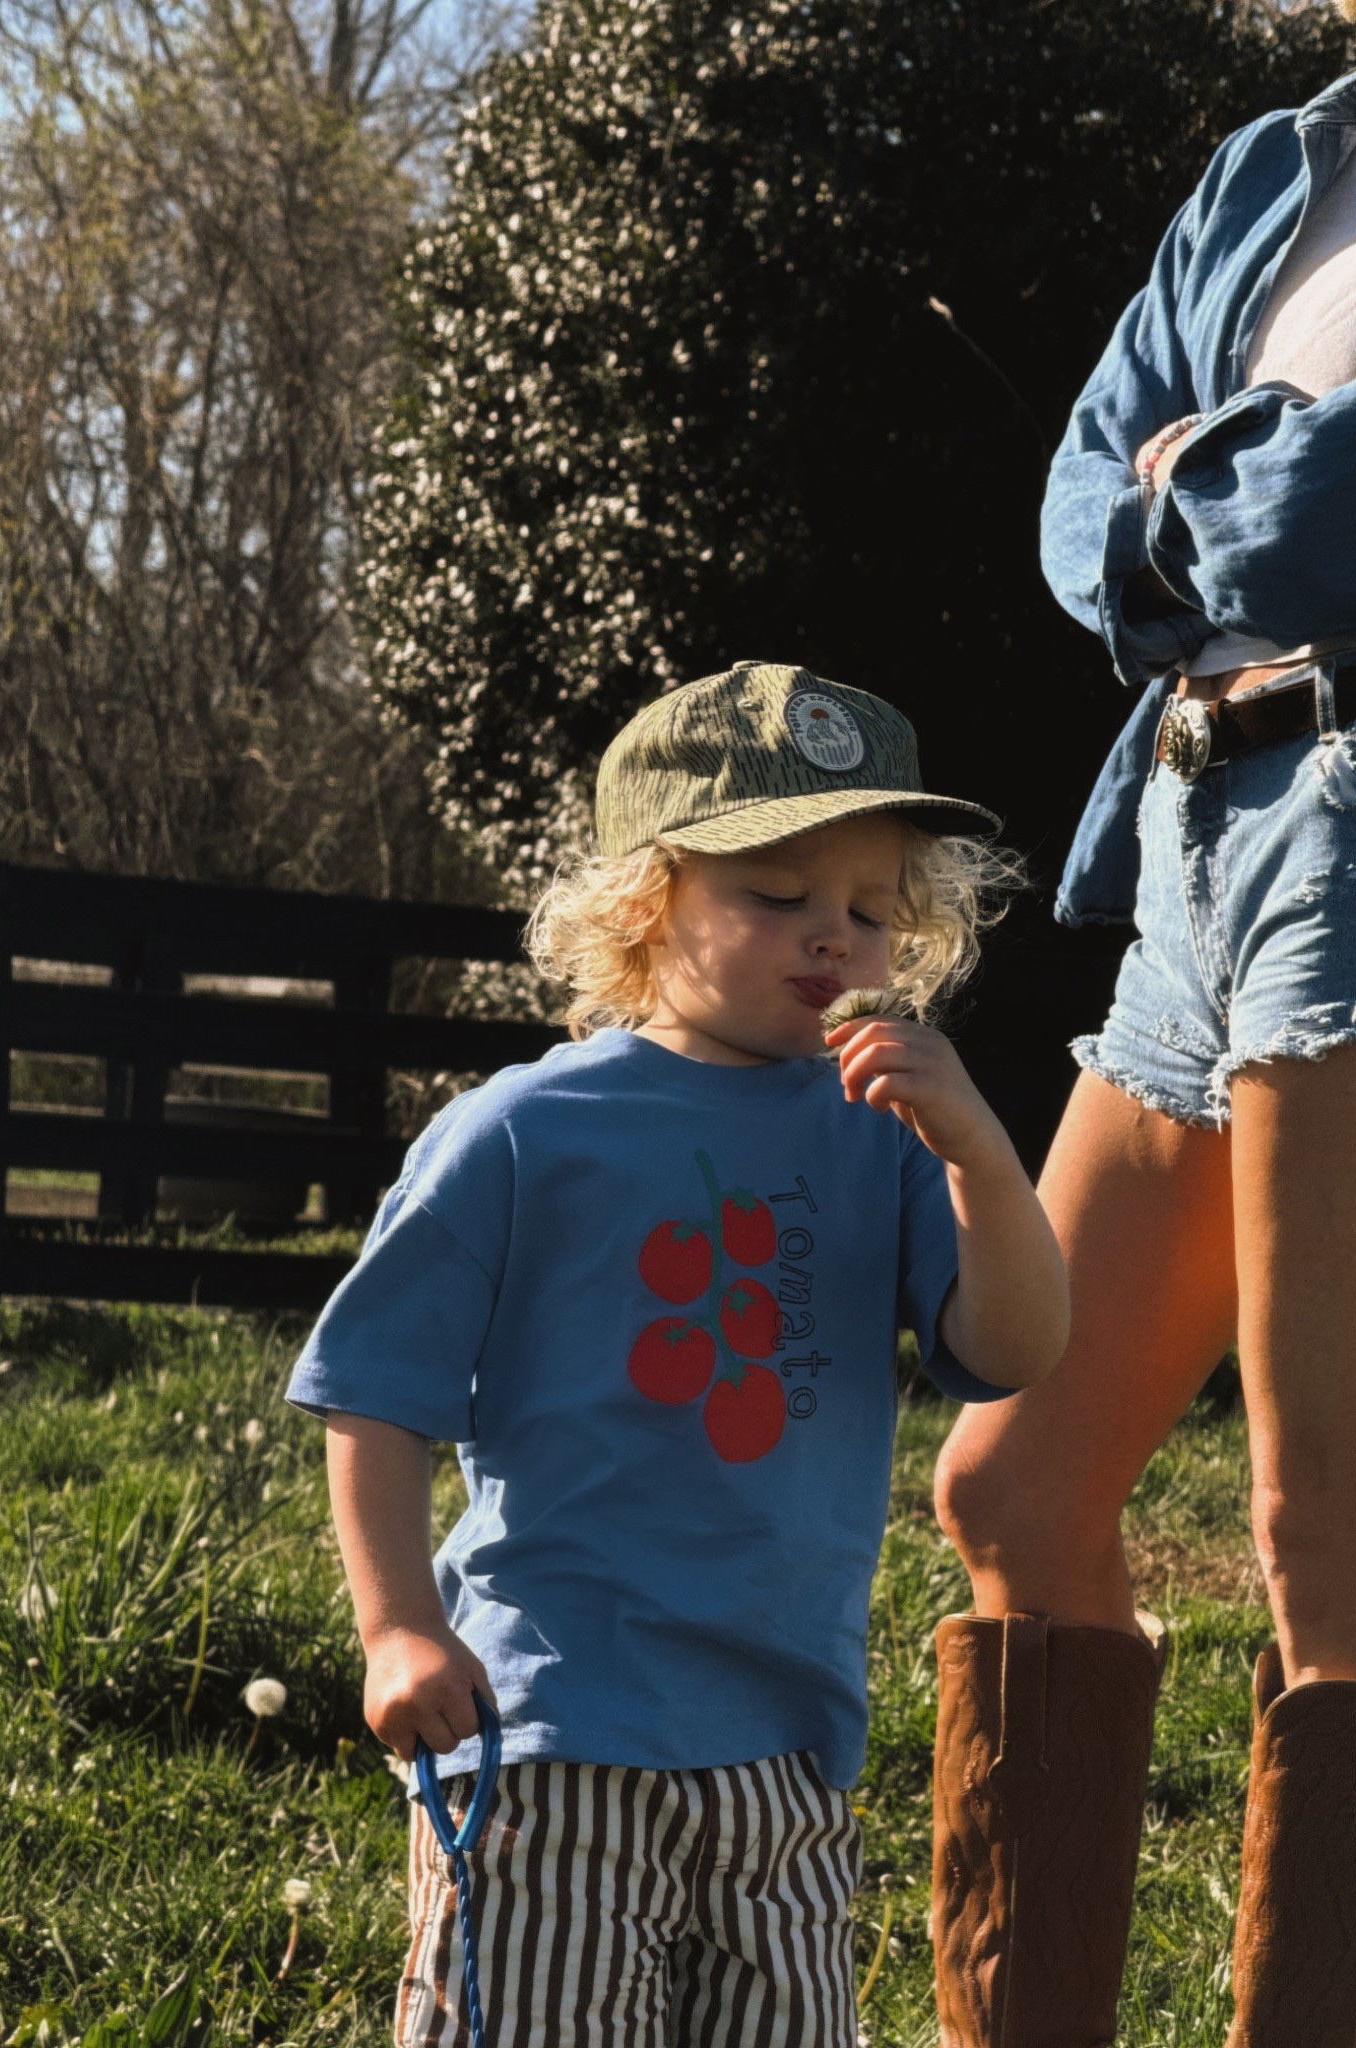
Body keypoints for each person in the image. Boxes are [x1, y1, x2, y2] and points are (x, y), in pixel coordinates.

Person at [284, 661, 1068, 2047]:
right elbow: (375, 1391)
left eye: (873, 910)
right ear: (648, 904)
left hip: (789, 1743)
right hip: (551, 1732)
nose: (834, 936)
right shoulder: (521, 1132)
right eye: (780, 895)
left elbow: (1011, 1351)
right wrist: (399, 1623)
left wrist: (987, 1163)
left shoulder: (883, 1133)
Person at [929, 47, 1356, 2048]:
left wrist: (1203, 474)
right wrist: (1230, 474)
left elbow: (1282, 528)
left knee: (1320, 1526)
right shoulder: (1284, 161)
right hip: (1192, 832)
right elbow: (1073, 497)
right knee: (1016, 1483)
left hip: (1351, 835)